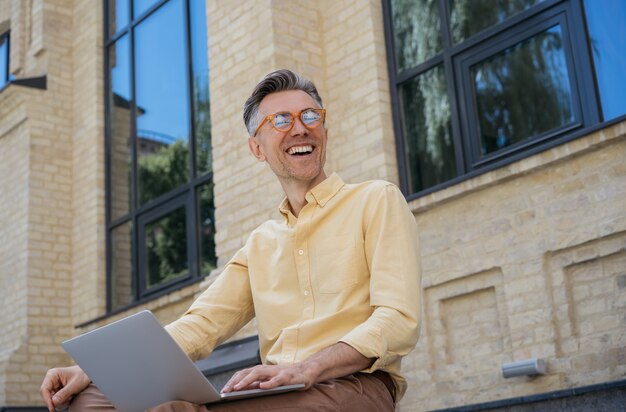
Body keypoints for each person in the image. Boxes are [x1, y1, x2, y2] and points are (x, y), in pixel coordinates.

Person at [40, 69, 422, 412]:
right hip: (273, 391)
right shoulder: (261, 244)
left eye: (310, 116)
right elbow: (200, 325)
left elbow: (397, 320)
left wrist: (308, 367)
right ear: (257, 148)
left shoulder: (376, 200)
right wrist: (90, 369)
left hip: (353, 384)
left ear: (323, 129)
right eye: (281, 120)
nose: (300, 128)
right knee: (92, 399)